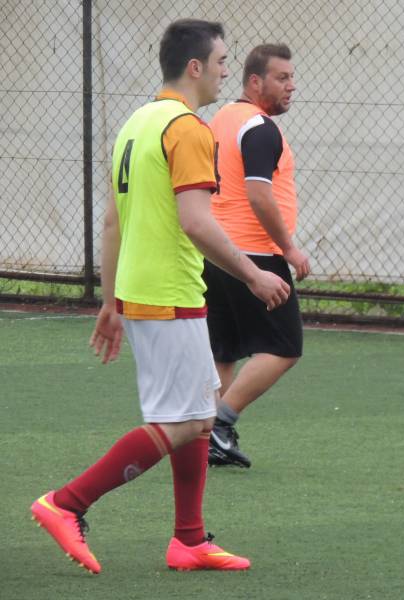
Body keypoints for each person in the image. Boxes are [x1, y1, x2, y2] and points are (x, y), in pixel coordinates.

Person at [30, 19, 290, 574]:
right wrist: (253, 275)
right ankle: (67, 503)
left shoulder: (137, 122)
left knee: (199, 414)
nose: (226, 71)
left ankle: (189, 540)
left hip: (145, 293)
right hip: (169, 294)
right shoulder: (188, 129)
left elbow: (112, 222)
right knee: (185, 422)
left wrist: (110, 302)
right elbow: (196, 222)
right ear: (195, 67)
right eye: (222, 61)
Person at [203, 44, 310, 468]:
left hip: (217, 251)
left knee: (224, 351)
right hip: (255, 254)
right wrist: (289, 248)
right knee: (285, 347)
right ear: (255, 81)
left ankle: (205, 437)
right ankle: (220, 424)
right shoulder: (259, 127)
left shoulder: (222, 118)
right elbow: (259, 194)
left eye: (291, 77)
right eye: (281, 78)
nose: (291, 85)